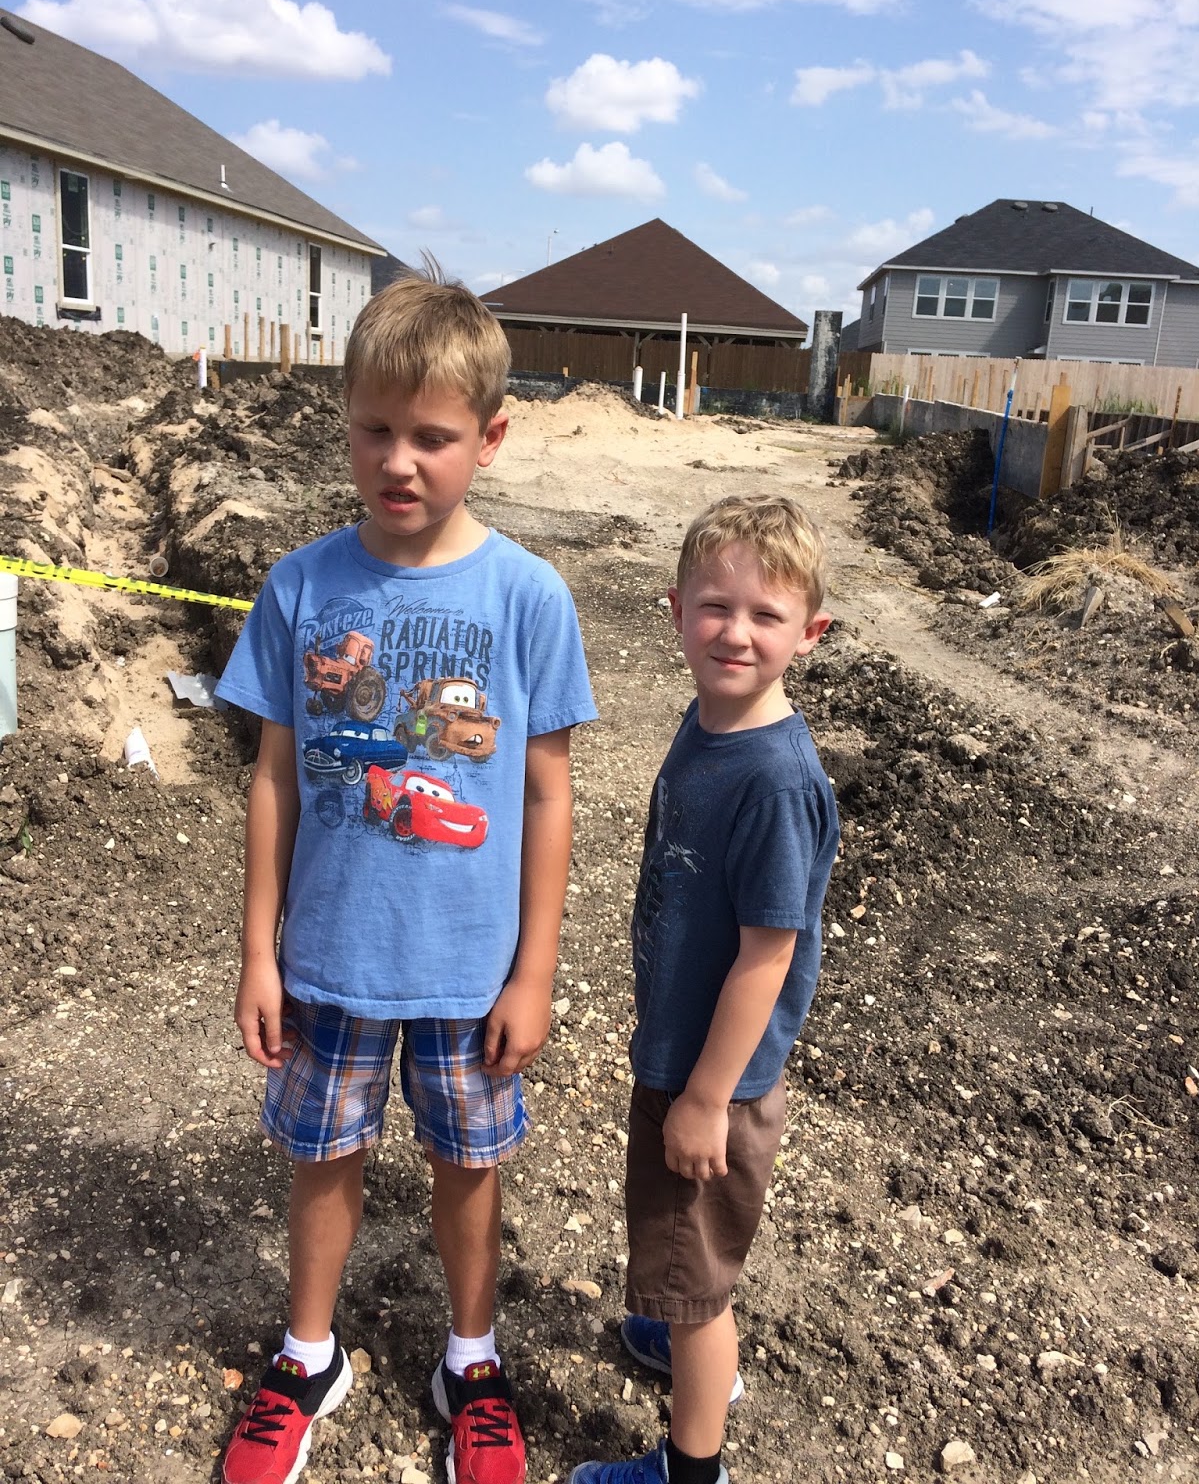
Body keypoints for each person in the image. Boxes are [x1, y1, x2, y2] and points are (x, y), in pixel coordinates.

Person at [215, 266, 596, 1484]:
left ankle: (471, 1361)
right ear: (345, 421)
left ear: (490, 437)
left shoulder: (529, 596)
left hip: (469, 969)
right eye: (374, 428)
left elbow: (546, 795)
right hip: (329, 953)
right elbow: (275, 777)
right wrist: (258, 951)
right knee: (321, 1155)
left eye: (432, 436)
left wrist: (534, 972)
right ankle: (306, 1353)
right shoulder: (301, 585)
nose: (399, 461)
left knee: (468, 1166)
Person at [570, 495, 839, 1484]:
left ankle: (691, 1467)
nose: (736, 632)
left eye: (767, 615)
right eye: (716, 607)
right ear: (676, 610)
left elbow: (766, 957)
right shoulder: (709, 722)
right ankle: (679, 1324)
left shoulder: (775, 782)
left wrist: (705, 1098)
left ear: (810, 634)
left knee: (699, 1287)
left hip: (712, 1083)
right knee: (682, 1261)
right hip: (685, 1057)